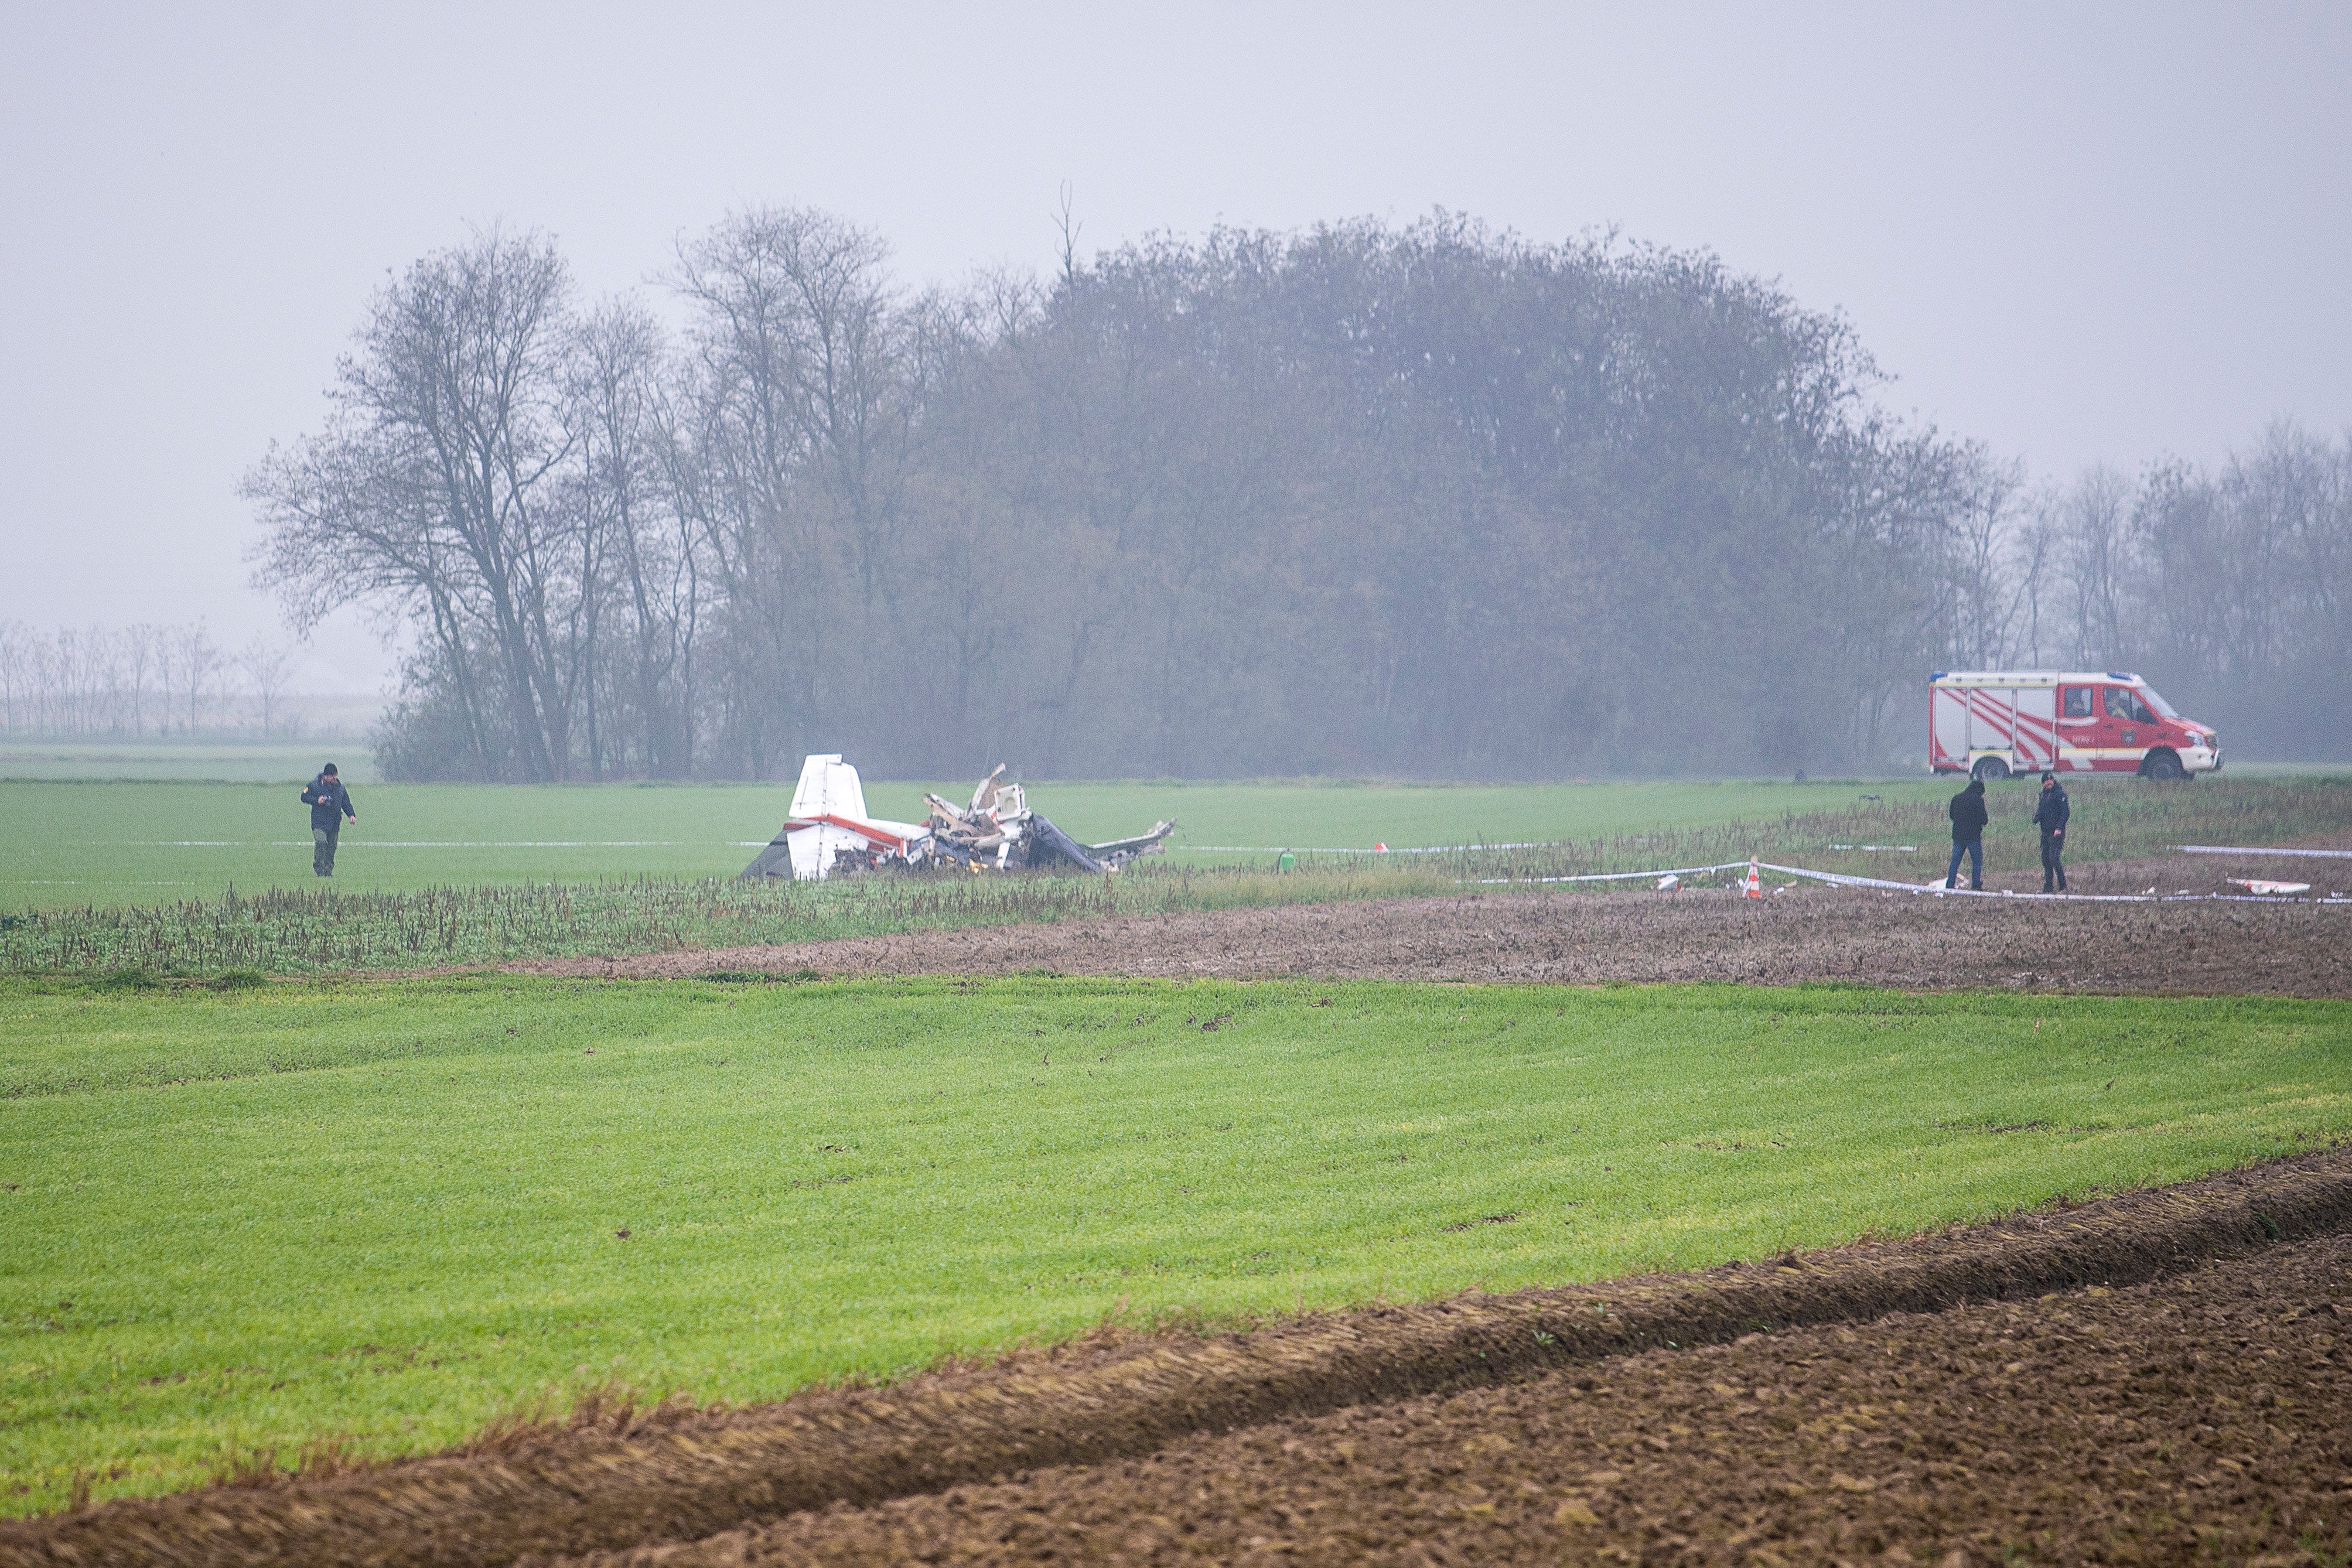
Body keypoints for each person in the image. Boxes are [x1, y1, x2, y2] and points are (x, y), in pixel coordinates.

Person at [301, 763, 358, 877]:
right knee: (321, 842)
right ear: (325, 776)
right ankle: (319, 869)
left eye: (334, 776)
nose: (333, 778)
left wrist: (351, 815)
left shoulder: (340, 789)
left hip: (334, 822)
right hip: (319, 822)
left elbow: (346, 803)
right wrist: (317, 800)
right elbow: (304, 797)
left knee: (331, 848)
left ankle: (328, 871)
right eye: (331, 776)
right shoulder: (314, 786)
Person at [1945, 777, 1988, 890]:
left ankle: (1950, 884)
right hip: (1973, 836)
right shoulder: (1978, 800)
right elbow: (1984, 819)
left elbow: (1952, 816)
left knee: (1955, 861)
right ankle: (1975, 885)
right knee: (1976, 861)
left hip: (1958, 835)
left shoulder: (1957, 798)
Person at [2033, 770, 2070, 892]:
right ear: (2043, 783)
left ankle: (2063, 886)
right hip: (2045, 832)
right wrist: (2036, 818)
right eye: (2047, 782)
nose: (2049, 783)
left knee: (2054, 859)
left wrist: (2059, 828)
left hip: (2056, 832)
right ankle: (2048, 886)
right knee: (2046, 859)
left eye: (2051, 781)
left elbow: (2065, 813)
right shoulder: (2043, 795)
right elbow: (2041, 809)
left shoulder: (2060, 794)